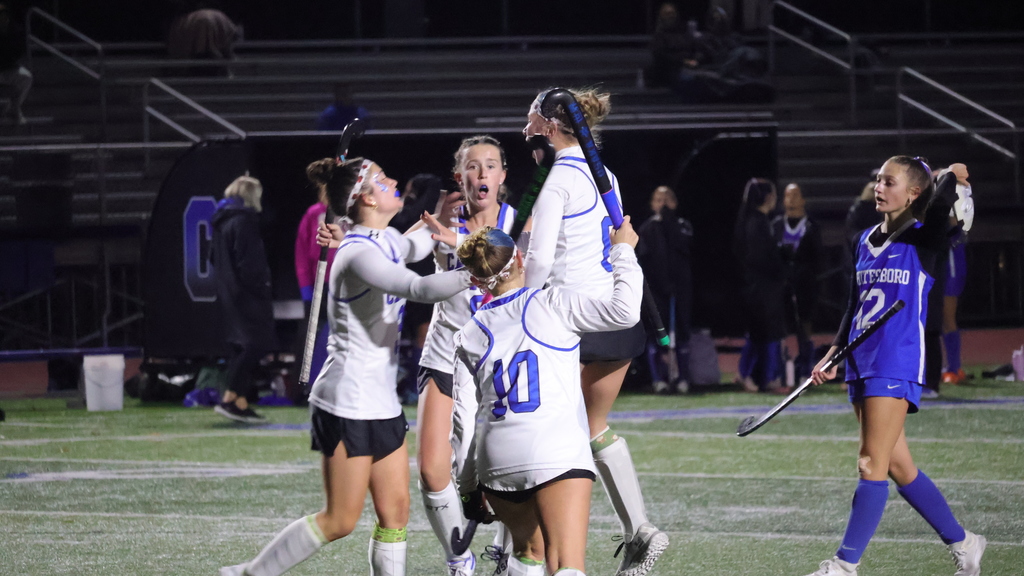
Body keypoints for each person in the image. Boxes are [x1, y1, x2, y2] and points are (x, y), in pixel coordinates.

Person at [219, 157, 472, 576]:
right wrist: (477, 273)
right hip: (346, 400)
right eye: (382, 178)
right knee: (340, 521)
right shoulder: (355, 253)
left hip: (381, 401)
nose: (393, 181)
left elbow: (412, 245)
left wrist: (437, 222)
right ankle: (249, 574)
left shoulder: (384, 238)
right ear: (367, 197)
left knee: (396, 513)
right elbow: (419, 286)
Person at [804, 158, 985, 576]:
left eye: (890, 181)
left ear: (914, 193)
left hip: (897, 359)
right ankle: (965, 543)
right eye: (878, 180)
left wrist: (949, 175)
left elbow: (940, 207)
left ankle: (845, 565)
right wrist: (833, 352)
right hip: (861, 360)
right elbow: (855, 305)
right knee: (899, 466)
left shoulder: (927, 238)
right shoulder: (865, 239)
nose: (879, 187)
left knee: (871, 463)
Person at [522, 87, 668, 576]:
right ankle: (640, 530)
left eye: (530, 115)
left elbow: (540, 261)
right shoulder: (606, 174)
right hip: (614, 318)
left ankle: (536, 554)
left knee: (545, 440)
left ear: (549, 124)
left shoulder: (558, 181)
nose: (525, 123)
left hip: (571, 324)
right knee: (592, 429)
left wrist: (519, 310)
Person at [452, 221, 643, 576]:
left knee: (528, 553)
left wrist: (466, 489)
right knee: (565, 564)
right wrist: (624, 250)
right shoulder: (553, 301)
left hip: (497, 459)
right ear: (520, 258)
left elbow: (463, 423)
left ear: (477, 280)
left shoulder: (467, 334)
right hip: (555, 451)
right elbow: (626, 312)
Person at [415, 136, 518, 576]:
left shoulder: (521, 222)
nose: (482, 174)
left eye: (491, 166)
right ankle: (459, 559)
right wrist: (353, 237)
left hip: (499, 358)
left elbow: (497, 258)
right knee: (433, 469)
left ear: (502, 177)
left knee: (505, 466)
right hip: (445, 353)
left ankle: (506, 544)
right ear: (460, 176)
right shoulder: (440, 219)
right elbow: (397, 248)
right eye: (472, 167)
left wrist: (452, 238)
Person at [211, 176, 275, 424]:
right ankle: (230, 397)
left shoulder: (221, 222)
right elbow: (250, 263)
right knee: (256, 344)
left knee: (241, 346)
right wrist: (262, 285)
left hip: (228, 291)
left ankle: (240, 401)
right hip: (247, 293)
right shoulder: (244, 221)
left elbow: (212, 258)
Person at [637, 186, 694, 394]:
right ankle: (658, 379)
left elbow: (684, 248)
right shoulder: (646, 229)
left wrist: (669, 222)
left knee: (681, 334)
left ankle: (683, 378)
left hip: (680, 291)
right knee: (657, 336)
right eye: (658, 199)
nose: (663, 203)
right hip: (656, 293)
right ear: (653, 204)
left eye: (667, 199)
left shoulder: (682, 226)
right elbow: (645, 260)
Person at [733, 178, 786, 393]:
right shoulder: (758, 223)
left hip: (754, 286)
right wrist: (780, 266)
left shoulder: (751, 221)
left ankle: (747, 375)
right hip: (762, 288)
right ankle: (768, 377)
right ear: (766, 197)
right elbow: (760, 258)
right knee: (769, 333)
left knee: (757, 334)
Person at [294, 165, 341, 390]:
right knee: (312, 336)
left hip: (343, 283)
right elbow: (302, 253)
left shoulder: (349, 212)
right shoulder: (314, 213)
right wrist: (305, 286)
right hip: (319, 284)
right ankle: (307, 384)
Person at [771, 183, 822, 379]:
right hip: (781, 284)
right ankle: (782, 367)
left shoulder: (811, 226)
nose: (790, 200)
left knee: (804, 324)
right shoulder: (776, 224)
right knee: (782, 326)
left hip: (804, 284)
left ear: (803, 200)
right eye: (787, 195)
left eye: (795, 195)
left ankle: (805, 366)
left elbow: (817, 258)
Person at [0, 3, 31, 126]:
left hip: (8, 69)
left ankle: (14, 109)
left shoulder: (13, 32)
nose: (3, 19)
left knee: (26, 77)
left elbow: (18, 52)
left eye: (4, 16)